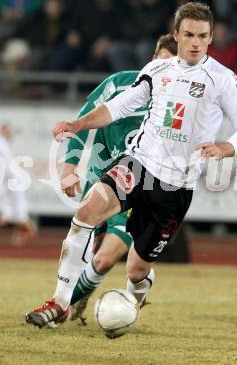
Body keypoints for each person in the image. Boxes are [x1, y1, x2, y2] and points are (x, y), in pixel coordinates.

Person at [26, 1, 237, 328]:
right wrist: (78, 125)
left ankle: (137, 291)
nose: (194, 42)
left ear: (211, 37)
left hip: (174, 188)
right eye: (188, 34)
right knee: (86, 213)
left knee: (135, 269)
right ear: (176, 34)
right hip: (137, 164)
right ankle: (60, 302)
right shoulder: (156, 71)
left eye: (202, 36)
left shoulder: (222, 79)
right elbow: (117, 107)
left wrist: (225, 147)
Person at [25, 34, 177, 327]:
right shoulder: (121, 83)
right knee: (84, 232)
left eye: (171, 67)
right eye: (160, 63)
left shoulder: (177, 104)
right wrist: (70, 166)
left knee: (106, 260)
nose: (163, 71)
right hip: (103, 178)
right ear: (152, 60)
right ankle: (63, 301)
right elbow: (84, 119)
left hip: (141, 190)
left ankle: (66, 307)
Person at [0, 124, 37, 247]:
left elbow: (7, 133)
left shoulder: (3, 142)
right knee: (15, 216)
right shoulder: (2, 142)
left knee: (15, 216)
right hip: (9, 181)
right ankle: (23, 236)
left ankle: (23, 236)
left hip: (11, 182)